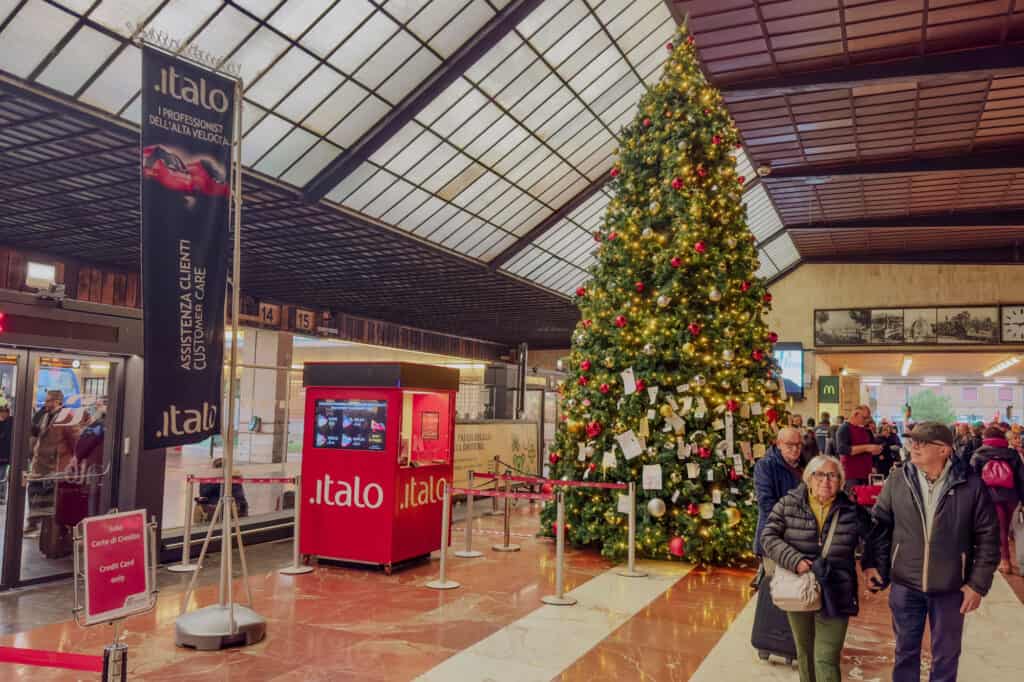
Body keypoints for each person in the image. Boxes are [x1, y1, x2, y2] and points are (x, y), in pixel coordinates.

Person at [862, 422, 1000, 682]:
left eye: (922, 443)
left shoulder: (971, 485)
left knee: (946, 656)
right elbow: (879, 526)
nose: (914, 447)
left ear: (944, 450)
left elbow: (988, 538)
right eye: (912, 441)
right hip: (905, 585)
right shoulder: (898, 479)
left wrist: (977, 585)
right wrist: (872, 564)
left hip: (951, 587)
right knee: (905, 652)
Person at [760, 455, 871, 682]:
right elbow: (768, 536)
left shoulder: (852, 511)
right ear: (808, 478)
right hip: (799, 588)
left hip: (837, 589)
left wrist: (872, 567)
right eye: (819, 474)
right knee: (805, 652)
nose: (825, 481)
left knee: (826, 657)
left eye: (832, 475)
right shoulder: (788, 504)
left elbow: (875, 539)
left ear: (841, 481)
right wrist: (795, 560)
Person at [970, 425, 1024, 573]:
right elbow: (1021, 479)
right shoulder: (1012, 454)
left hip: (990, 497)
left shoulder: (978, 454)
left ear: (985, 438)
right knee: (1013, 529)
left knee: (1000, 529)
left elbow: (973, 480)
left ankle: (1005, 561)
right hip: (1012, 497)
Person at [753, 427, 805, 560]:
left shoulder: (804, 464)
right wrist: (793, 520)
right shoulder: (765, 465)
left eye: (798, 444)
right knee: (772, 572)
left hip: (800, 537)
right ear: (779, 444)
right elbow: (766, 503)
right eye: (790, 445)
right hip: (774, 535)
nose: (795, 449)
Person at [835, 405, 881, 486]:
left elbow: (872, 449)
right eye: (864, 418)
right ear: (855, 414)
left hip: (867, 474)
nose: (867, 421)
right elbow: (842, 449)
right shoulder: (844, 428)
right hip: (851, 475)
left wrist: (876, 451)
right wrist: (866, 448)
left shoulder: (867, 431)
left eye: (868, 418)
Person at [0, 405, 11, 505]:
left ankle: (2, 496)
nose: (3, 414)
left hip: (4, 454)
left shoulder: (10, 422)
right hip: (3, 453)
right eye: (1, 412)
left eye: (5, 412)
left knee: (2, 476)